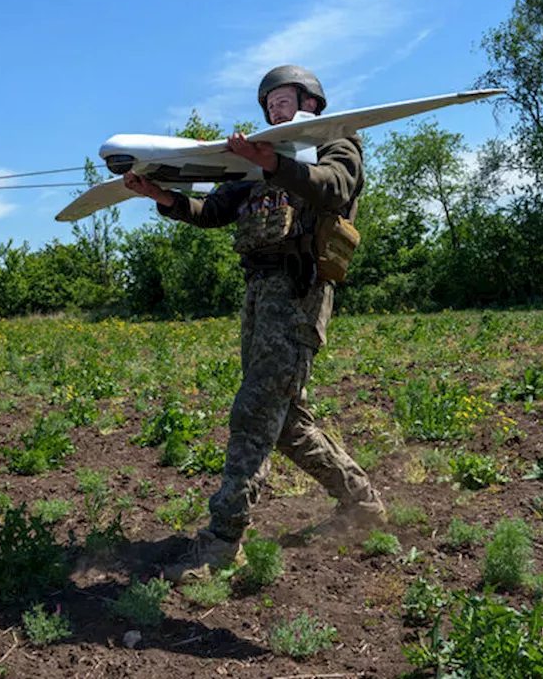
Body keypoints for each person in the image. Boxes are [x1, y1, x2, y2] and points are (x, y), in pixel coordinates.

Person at [125, 64, 385, 582]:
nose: (274, 107)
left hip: (297, 291)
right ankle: (363, 504)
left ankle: (223, 541)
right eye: (268, 101)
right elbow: (215, 210)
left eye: (283, 98)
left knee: (255, 411)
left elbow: (333, 188)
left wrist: (274, 165)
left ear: (310, 100)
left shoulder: (337, 142)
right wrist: (166, 199)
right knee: (285, 422)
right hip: (258, 295)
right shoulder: (258, 158)